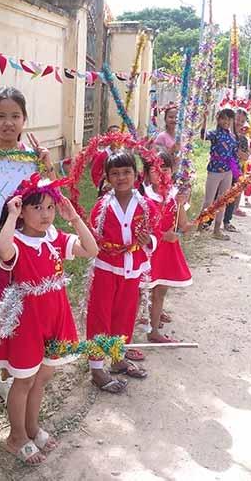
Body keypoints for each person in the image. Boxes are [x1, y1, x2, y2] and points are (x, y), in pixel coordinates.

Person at [0, 176, 98, 464]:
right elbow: (2, 250)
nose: (45, 214)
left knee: (43, 376)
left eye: (50, 207)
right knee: (23, 379)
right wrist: (12, 215)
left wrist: (74, 218)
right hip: (27, 322)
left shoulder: (55, 237)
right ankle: (16, 436)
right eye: (37, 208)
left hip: (55, 316)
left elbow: (91, 249)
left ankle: (32, 428)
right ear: (22, 212)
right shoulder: (16, 240)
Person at [0, 87, 56, 424]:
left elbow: (51, 200)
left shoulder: (32, 158)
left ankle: (6, 381)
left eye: (14, 116)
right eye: (1, 116)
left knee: (17, 321)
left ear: (24, 119)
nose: (7, 122)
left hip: (24, 257)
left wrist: (47, 167)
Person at [86, 151, 159, 393]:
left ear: (136, 175)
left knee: (125, 316)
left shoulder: (146, 205)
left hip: (132, 271)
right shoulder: (102, 207)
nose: (121, 177)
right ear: (107, 178)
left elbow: (154, 234)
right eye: (115, 173)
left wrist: (148, 240)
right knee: (100, 316)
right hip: (106, 270)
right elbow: (92, 236)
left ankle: (117, 359)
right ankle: (97, 368)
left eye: (126, 172)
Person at [141, 150, 193, 343]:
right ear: (147, 173)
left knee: (160, 292)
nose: (161, 173)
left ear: (172, 171)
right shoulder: (142, 197)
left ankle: (153, 331)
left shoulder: (174, 196)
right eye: (155, 169)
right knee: (140, 292)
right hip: (148, 253)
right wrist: (163, 236)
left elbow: (184, 226)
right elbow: (141, 233)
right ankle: (129, 332)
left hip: (168, 252)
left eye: (165, 168)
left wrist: (185, 206)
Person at [198, 108, 237, 240]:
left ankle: (217, 230)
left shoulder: (232, 136)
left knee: (223, 200)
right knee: (209, 200)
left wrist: (236, 170)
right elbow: (203, 136)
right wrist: (204, 120)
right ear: (218, 119)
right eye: (224, 118)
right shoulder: (214, 134)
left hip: (228, 171)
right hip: (215, 170)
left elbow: (233, 154)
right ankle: (200, 226)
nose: (226, 121)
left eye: (229, 119)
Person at [222, 110, 250, 233]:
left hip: (234, 170)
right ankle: (208, 221)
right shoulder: (223, 132)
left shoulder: (243, 139)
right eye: (237, 119)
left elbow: (245, 156)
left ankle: (227, 221)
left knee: (231, 196)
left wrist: (235, 150)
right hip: (220, 168)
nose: (239, 122)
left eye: (242, 121)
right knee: (218, 195)